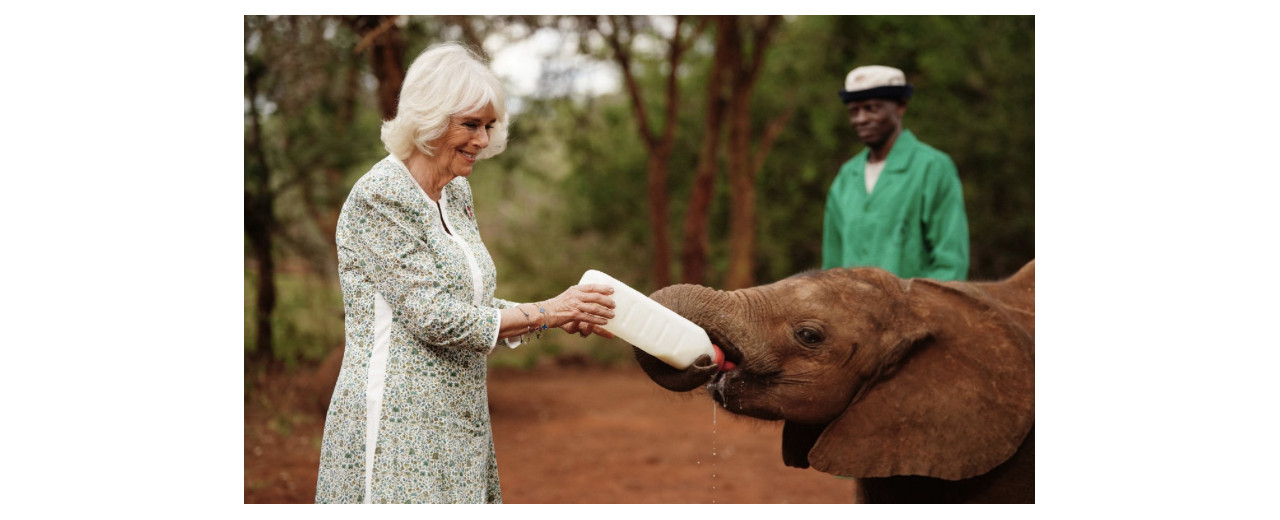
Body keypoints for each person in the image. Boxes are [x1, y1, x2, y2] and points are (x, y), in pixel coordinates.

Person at [315, 42, 617, 504]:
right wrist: (546, 313)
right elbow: (434, 316)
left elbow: (469, 305)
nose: (482, 140)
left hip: (459, 415)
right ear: (430, 120)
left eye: (488, 126)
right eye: (470, 125)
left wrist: (557, 310)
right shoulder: (381, 197)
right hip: (399, 420)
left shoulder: (455, 193)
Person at [822, 65, 970, 281]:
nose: (861, 119)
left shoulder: (932, 168)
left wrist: (925, 313)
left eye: (872, 108)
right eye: (854, 111)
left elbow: (950, 264)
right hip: (853, 314)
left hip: (914, 313)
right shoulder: (846, 177)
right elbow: (831, 268)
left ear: (900, 106)